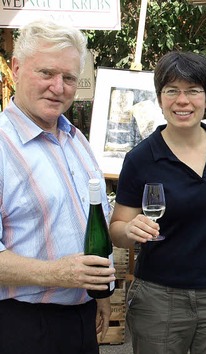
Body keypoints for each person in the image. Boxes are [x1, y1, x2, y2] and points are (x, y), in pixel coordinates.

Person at [109, 51, 206, 354]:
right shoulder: (141, 158)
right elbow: (116, 229)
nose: (182, 101)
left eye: (193, 91)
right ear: (160, 98)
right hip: (160, 298)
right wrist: (130, 229)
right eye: (172, 91)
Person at [0, 20, 116, 353]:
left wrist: (100, 296)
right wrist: (57, 273)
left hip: (80, 318)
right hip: (22, 326)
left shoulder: (74, 138)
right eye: (47, 73)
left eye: (68, 78)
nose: (58, 87)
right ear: (17, 68)